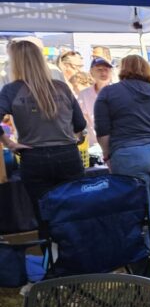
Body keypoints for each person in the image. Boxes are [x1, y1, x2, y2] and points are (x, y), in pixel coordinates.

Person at [94, 55, 150, 257]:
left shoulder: (108, 93)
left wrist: (107, 156)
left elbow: (102, 131)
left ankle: (145, 252)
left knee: (140, 206)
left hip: (128, 154)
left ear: (122, 69)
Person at [0, 40, 86, 219]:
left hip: (34, 156)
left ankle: (49, 245)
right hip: (67, 154)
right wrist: (74, 135)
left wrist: (9, 143)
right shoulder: (61, 87)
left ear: (15, 63)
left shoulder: (12, 90)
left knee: (44, 213)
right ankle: (73, 245)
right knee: (76, 210)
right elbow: (80, 124)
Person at [76, 56, 115, 147]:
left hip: (116, 143)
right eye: (99, 69)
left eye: (106, 69)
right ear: (91, 72)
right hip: (94, 146)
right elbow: (80, 120)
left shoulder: (118, 92)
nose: (103, 72)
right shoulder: (84, 95)